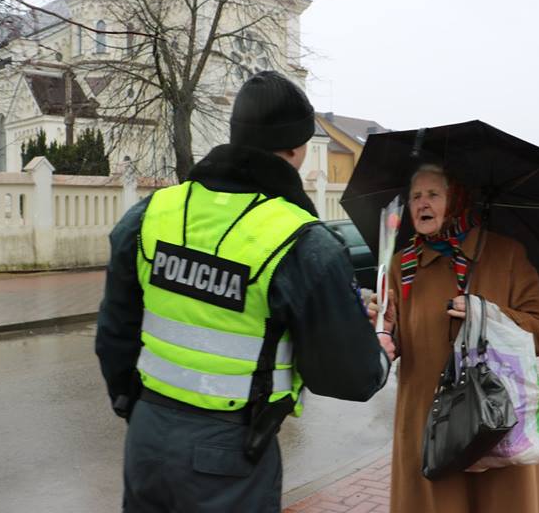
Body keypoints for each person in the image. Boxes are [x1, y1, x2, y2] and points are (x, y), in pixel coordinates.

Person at [95, 70, 390, 513]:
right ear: (296, 148)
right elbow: (350, 375)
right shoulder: (302, 242)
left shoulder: (151, 213)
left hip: (147, 437)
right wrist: (377, 345)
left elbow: (114, 332)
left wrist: (134, 408)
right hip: (229, 453)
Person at [377, 163, 539, 513]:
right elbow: (395, 340)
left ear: (457, 199)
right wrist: (382, 330)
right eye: (415, 196)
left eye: (433, 194)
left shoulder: (506, 255)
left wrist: (488, 316)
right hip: (429, 426)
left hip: (495, 421)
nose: (421, 204)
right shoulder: (402, 266)